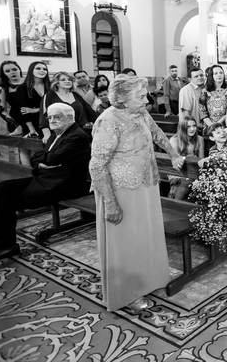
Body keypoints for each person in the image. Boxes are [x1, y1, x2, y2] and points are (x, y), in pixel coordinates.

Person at [89, 74, 185, 311]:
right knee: (127, 241)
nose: (147, 100)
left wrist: (173, 154)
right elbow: (97, 165)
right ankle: (128, 294)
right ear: (121, 99)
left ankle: (149, 280)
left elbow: (156, 133)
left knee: (146, 235)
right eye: (140, 96)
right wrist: (110, 203)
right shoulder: (108, 121)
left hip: (145, 183)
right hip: (121, 191)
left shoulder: (140, 112)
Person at [0, 103, 91, 264]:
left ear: (70, 117)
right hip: (47, 178)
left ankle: (4, 245)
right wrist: (43, 162)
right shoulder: (57, 134)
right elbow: (38, 158)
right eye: (49, 117)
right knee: (2, 188)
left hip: (66, 185)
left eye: (57, 117)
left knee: (7, 200)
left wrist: (45, 160)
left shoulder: (77, 136)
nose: (52, 120)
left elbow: (51, 158)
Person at [40, 71, 98, 143]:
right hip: (60, 134)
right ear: (57, 83)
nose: (67, 81)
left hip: (80, 133)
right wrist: (46, 134)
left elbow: (90, 112)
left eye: (69, 80)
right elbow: (44, 116)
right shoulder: (49, 96)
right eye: (63, 80)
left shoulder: (76, 95)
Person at [168, 117, 205, 200]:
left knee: (187, 181)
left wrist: (187, 158)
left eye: (194, 126)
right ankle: (174, 201)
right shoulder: (174, 140)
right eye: (188, 127)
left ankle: (174, 200)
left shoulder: (200, 139)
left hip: (194, 170)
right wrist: (191, 158)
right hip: (178, 171)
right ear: (182, 128)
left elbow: (201, 159)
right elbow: (177, 162)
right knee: (183, 182)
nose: (192, 129)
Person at [13, 61, 50, 138]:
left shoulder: (51, 86)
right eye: (38, 68)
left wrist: (36, 110)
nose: (42, 70)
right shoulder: (22, 88)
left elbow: (55, 105)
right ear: (31, 70)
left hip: (50, 122)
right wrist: (31, 129)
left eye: (45, 69)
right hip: (32, 124)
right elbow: (23, 111)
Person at [0, 60, 25, 135]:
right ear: (4, 74)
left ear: (19, 70)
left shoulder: (30, 81)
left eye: (14, 69)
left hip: (36, 118)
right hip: (16, 120)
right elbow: (2, 111)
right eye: (7, 71)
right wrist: (17, 125)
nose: (12, 72)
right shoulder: (2, 87)